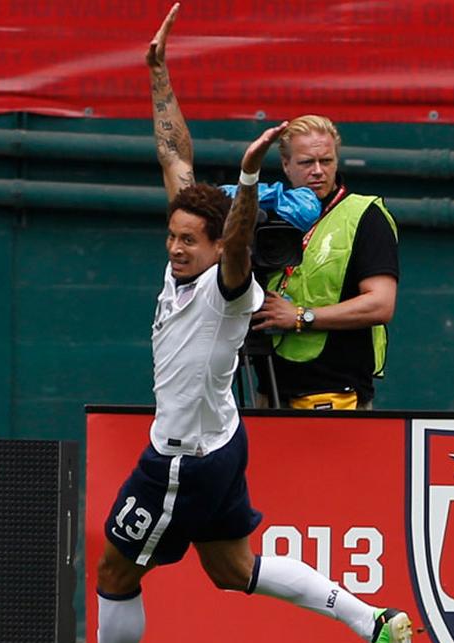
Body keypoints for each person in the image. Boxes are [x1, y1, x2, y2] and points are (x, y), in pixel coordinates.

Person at [91, 11, 418, 643]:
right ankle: (373, 622)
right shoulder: (188, 253)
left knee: (113, 572)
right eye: (173, 236)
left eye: (190, 240)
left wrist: (247, 178)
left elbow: (238, 244)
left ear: (216, 246)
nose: (176, 247)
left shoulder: (226, 287)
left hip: (181, 460)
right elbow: (174, 154)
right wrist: (159, 77)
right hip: (219, 442)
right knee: (231, 567)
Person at [148, 3, 399, 411]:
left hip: (335, 398)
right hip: (266, 394)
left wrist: (301, 316)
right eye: (306, 163)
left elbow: (381, 304)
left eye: (327, 161)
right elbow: (176, 164)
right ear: (284, 166)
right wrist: (159, 76)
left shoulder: (363, 214)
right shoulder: (263, 210)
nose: (318, 172)